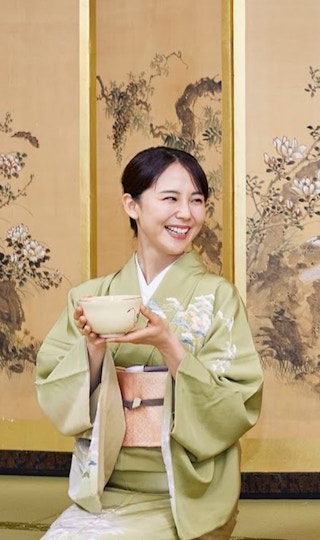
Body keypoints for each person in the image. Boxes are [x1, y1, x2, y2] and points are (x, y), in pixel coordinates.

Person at [36, 146, 264, 539]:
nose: (186, 214)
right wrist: (93, 351)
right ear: (132, 205)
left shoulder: (217, 297)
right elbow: (56, 396)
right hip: (105, 488)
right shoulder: (90, 297)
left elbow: (236, 406)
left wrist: (171, 349)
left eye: (197, 201)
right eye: (171, 199)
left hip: (187, 494)